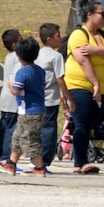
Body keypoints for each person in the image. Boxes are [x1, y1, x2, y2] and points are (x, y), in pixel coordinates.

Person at [66, 0, 104, 176]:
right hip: (79, 85)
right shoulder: (78, 35)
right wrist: (94, 83)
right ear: (90, 15)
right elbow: (82, 60)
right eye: (102, 14)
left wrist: (95, 50)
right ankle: (81, 162)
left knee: (89, 123)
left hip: (101, 89)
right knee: (82, 124)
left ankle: (80, 159)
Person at [4, 36, 49, 176]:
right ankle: (11, 163)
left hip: (29, 111)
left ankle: (39, 167)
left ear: (18, 56)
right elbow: (43, 86)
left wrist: (11, 85)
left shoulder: (23, 72)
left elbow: (16, 91)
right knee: (18, 136)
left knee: (31, 139)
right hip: (36, 109)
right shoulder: (40, 70)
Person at [34, 21, 64, 172]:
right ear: (49, 39)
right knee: (48, 130)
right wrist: (68, 97)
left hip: (36, 98)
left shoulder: (36, 54)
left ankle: (35, 159)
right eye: (58, 36)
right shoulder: (56, 56)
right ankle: (43, 161)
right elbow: (60, 78)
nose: (61, 38)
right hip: (50, 99)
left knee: (37, 130)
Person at [0, 28, 22, 166]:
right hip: (12, 98)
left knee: (4, 128)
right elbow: (16, 78)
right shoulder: (17, 58)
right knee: (11, 130)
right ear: (14, 45)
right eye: (20, 39)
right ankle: (5, 158)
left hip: (5, 97)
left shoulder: (9, 56)